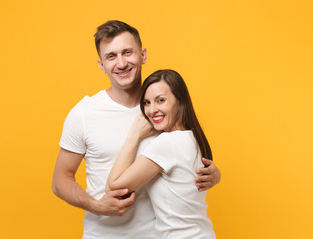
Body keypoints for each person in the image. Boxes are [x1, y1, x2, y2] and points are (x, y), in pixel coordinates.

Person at [52, 20, 221, 239]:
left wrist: (211, 173)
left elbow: (184, 151)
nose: (121, 63)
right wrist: (96, 206)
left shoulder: (161, 109)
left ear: (143, 55)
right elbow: (60, 180)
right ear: (101, 65)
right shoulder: (84, 113)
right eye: (111, 56)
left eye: (127, 52)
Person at [106, 69, 216, 238]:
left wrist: (133, 136)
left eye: (160, 100)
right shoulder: (194, 137)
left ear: (179, 101)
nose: (151, 110)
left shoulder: (167, 143)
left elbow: (115, 187)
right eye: (147, 103)